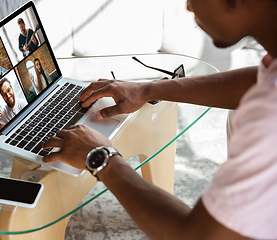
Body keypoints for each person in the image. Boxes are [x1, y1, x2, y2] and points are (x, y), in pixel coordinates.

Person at [41, 0, 277, 239]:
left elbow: (196, 236)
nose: (188, 6)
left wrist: (100, 158)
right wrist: (147, 90)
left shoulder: (269, 116)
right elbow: (258, 80)